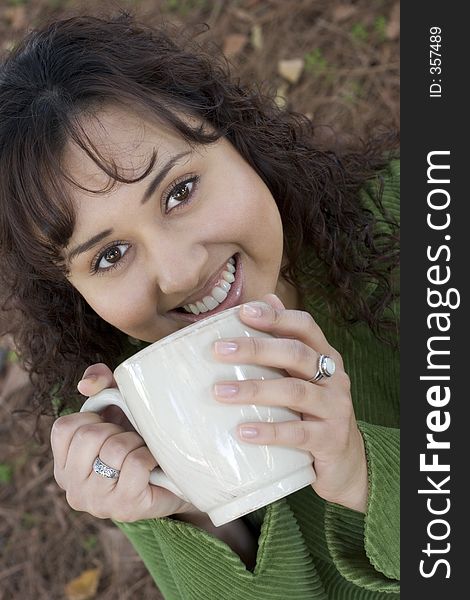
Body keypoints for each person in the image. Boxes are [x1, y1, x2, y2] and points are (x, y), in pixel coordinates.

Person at [0, 11, 400, 599]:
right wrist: (196, 517)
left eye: (180, 192)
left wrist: (371, 473)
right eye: (109, 256)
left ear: (236, 136)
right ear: (74, 292)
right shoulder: (119, 414)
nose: (180, 271)